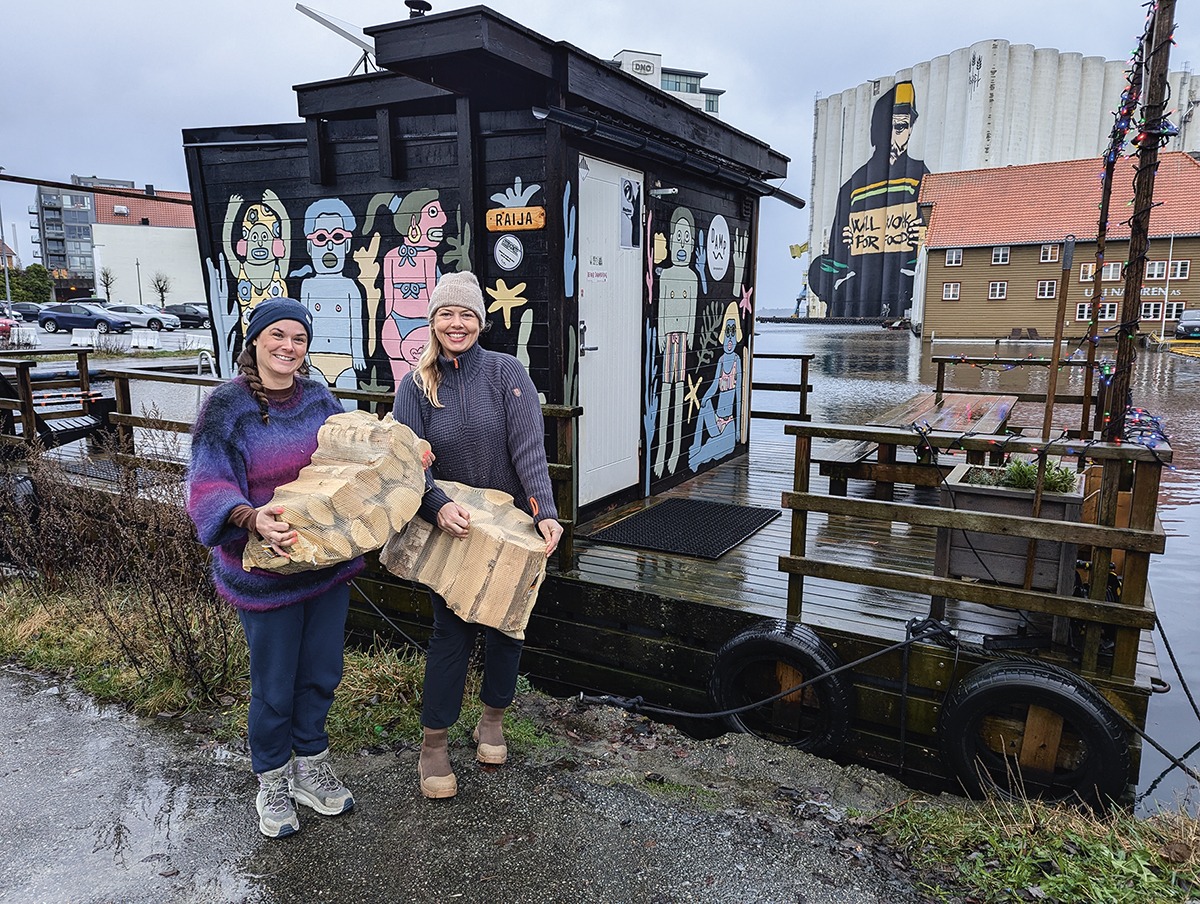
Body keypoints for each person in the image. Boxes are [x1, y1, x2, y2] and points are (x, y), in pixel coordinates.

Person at [187, 297, 362, 838]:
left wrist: (395, 455)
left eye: (299, 339)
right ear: (256, 340)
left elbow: (346, 456)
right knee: (274, 684)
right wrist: (249, 516)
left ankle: (310, 764)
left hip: (325, 564)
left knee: (321, 674)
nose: (289, 347)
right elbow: (207, 483)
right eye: (278, 336)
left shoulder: (317, 398)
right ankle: (273, 779)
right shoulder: (226, 406)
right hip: (263, 574)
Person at [392, 271, 563, 800]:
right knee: (452, 633)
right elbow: (405, 464)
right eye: (447, 313)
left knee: (509, 626)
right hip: (452, 527)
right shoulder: (414, 385)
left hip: (508, 527)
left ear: (480, 321)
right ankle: (434, 744)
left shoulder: (507, 373)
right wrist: (437, 506)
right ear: (434, 321)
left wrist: (545, 512)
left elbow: (529, 451)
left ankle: (492, 719)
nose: (457, 323)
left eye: (466, 314)